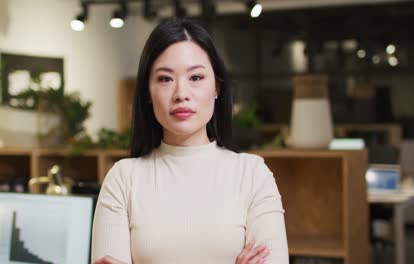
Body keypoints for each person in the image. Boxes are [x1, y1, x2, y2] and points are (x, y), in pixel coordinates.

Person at [91, 19, 288, 264]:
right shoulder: (123, 179)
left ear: (216, 87)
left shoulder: (252, 175)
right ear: (147, 93)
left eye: (195, 77)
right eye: (165, 79)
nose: (181, 94)